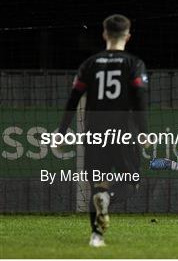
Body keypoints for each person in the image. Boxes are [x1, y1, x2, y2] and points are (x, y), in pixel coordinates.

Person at [58, 14, 148, 247]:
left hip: (95, 130)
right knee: (131, 183)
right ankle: (107, 199)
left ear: (104, 34)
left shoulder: (89, 64)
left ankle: (96, 237)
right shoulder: (133, 64)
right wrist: (144, 131)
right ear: (128, 36)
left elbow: (73, 99)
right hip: (124, 129)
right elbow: (139, 99)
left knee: (98, 184)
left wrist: (61, 131)